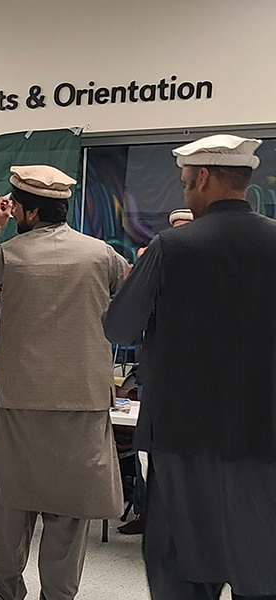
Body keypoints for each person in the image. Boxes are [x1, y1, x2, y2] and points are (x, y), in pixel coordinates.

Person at [104, 135, 276, 600]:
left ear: (202, 178)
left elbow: (118, 325)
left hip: (182, 436)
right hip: (266, 440)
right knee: (266, 564)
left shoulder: (172, 248)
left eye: (184, 180)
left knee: (180, 560)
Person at [0, 165, 127, 600]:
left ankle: (5, 594)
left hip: (21, 397)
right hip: (84, 397)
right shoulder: (102, 255)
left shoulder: (9, 253)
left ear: (26, 210)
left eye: (14, 209)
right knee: (69, 508)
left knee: (9, 501)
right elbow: (131, 296)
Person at [118, 206, 194, 536]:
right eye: (174, 230)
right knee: (146, 444)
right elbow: (129, 319)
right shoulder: (156, 267)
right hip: (157, 371)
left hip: (197, 378)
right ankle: (146, 513)